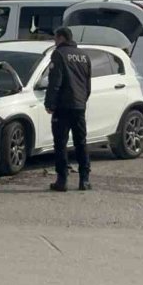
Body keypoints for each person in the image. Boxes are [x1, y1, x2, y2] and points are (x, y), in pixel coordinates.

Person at [44, 26, 92, 192]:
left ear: (62, 38)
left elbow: (55, 82)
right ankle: (84, 180)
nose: (55, 42)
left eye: (56, 38)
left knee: (60, 143)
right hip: (79, 105)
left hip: (63, 106)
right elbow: (87, 85)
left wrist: (49, 104)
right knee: (81, 142)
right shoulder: (84, 56)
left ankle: (62, 180)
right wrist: (82, 101)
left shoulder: (59, 54)